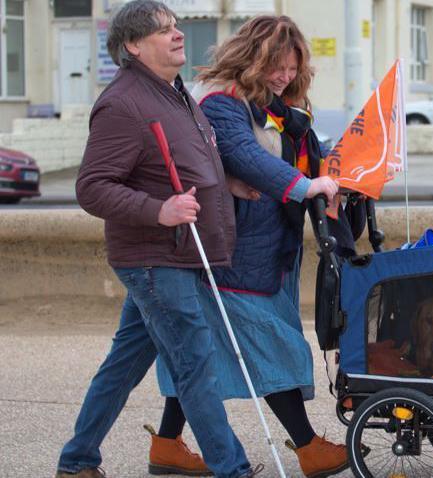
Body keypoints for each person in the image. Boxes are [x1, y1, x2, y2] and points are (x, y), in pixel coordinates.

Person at [56, 2, 264, 478]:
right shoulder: (122, 103)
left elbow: (182, 162)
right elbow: (92, 187)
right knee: (195, 365)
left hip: (179, 254)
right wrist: (159, 211)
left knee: (125, 364)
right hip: (154, 258)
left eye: (175, 26)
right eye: (162, 30)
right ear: (132, 45)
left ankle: (77, 461)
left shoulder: (173, 92)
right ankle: (233, 469)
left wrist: (225, 184)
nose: (176, 35)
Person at [142, 15, 351, 478]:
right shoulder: (222, 101)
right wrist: (304, 185)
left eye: (293, 69)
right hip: (233, 255)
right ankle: (308, 447)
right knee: (265, 346)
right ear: (252, 58)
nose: (285, 76)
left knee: (204, 352)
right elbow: (245, 156)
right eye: (277, 66)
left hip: (265, 251)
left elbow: (306, 155)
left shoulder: (275, 106)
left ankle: (167, 445)